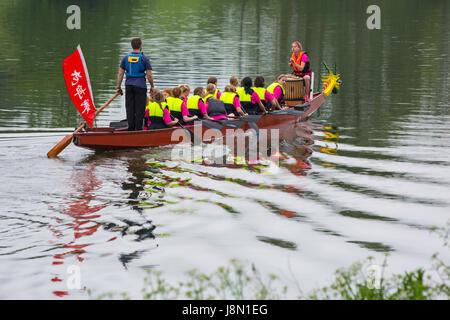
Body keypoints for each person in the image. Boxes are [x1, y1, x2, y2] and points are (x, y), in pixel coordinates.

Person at [116, 37, 154, 131]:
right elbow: (149, 75)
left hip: (128, 85)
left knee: (130, 108)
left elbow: (120, 74)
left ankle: (130, 128)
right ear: (140, 46)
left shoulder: (125, 58)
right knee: (140, 109)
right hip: (140, 86)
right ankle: (138, 129)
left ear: (131, 46)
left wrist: (118, 87)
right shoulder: (144, 58)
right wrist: (152, 86)